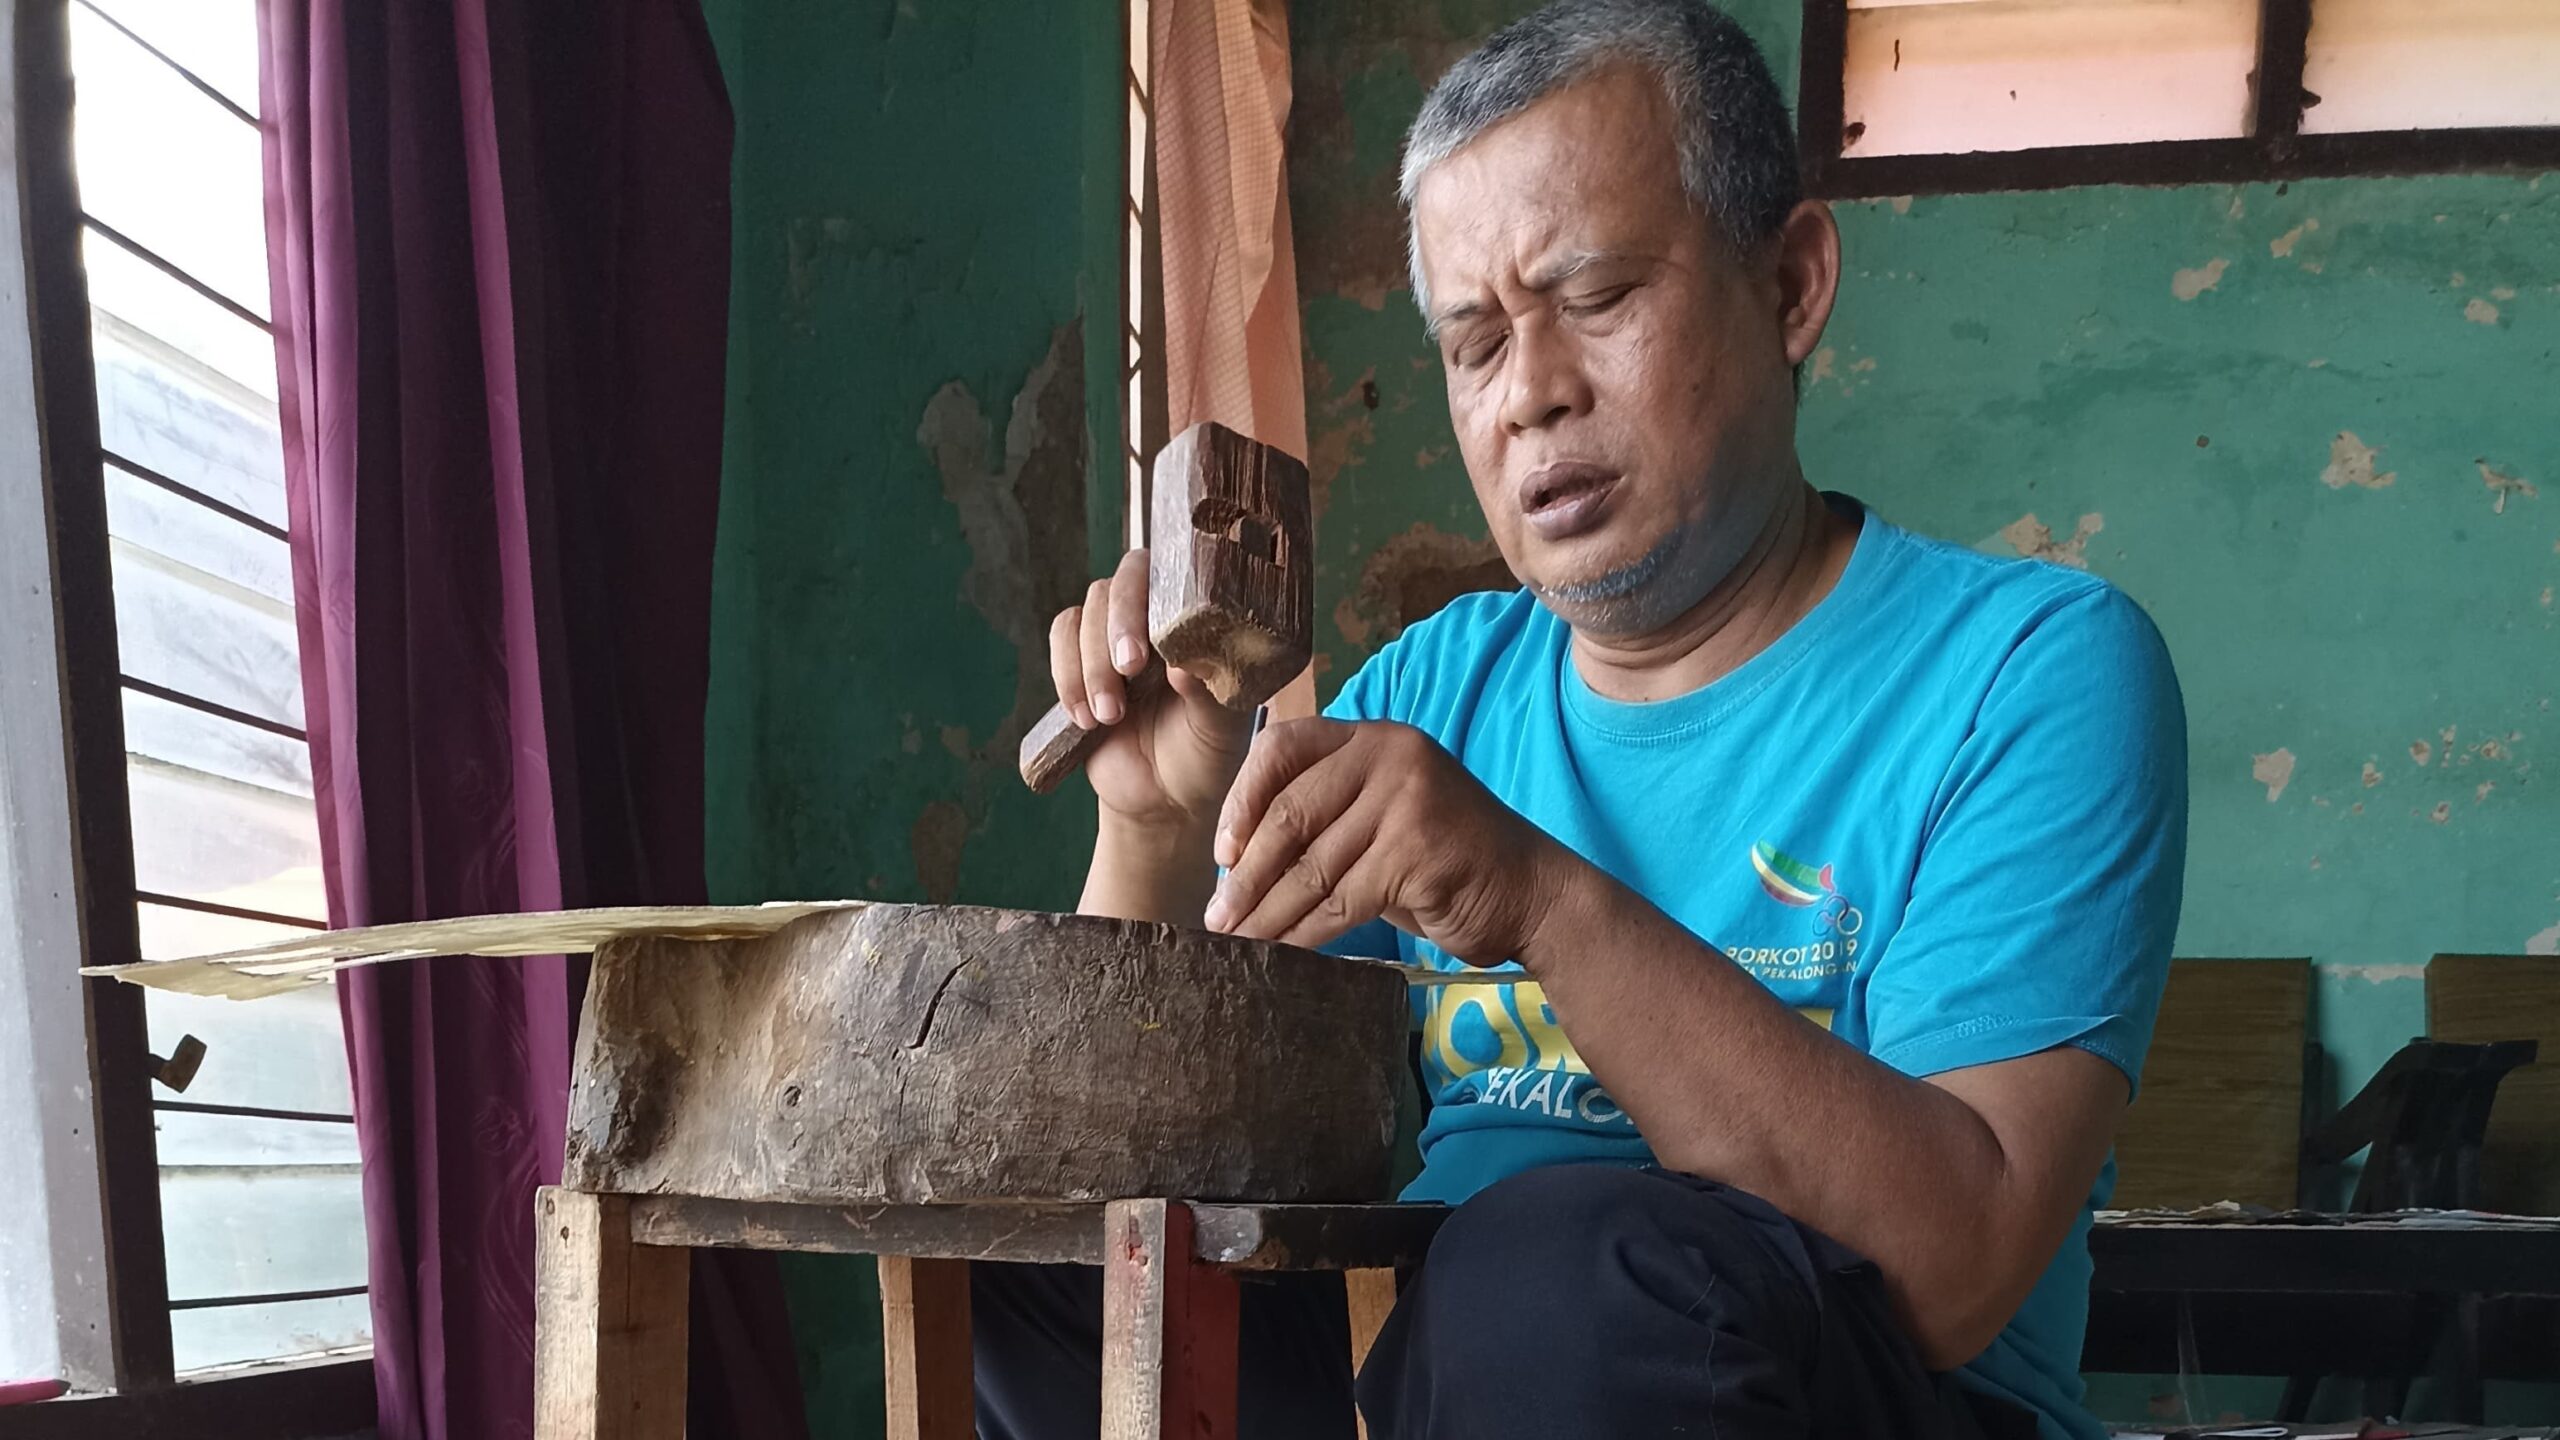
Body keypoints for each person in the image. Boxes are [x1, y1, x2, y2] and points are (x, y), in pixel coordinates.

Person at [974, 2, 2188, 1436]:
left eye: (1599, 298)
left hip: (1831, 1392)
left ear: (1793, 284)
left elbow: (1959, 1265)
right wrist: (1157, 830)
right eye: (1476, 344)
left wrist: (1537, 896)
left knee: (1555, 1276)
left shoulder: (2028, 670)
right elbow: (1165, 1135)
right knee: (1053, 1254)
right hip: (1422, 1370)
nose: (1533, 397)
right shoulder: (1444, 686)